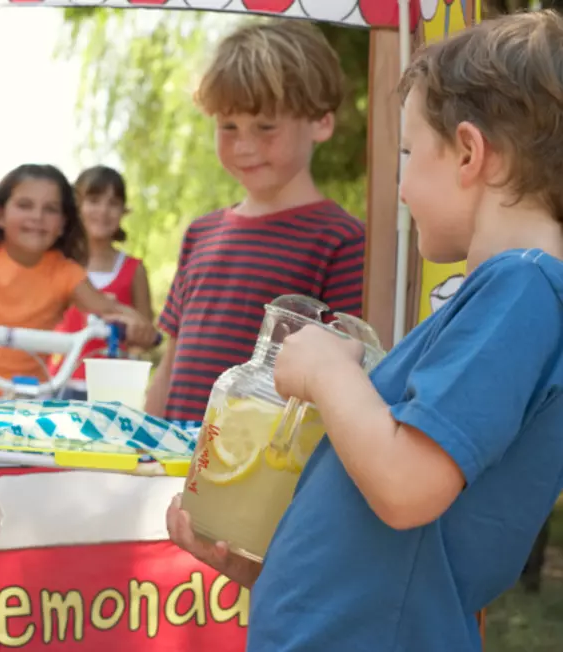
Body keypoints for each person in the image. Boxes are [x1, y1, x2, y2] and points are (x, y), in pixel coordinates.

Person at [169, 11, 563, 651]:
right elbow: (394, 540)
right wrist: (268, 570)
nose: (400, 186)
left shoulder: (521, 289)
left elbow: (406, 487)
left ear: (469, 153)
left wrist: (331, 372)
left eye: (407, 154)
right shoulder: (498, 297)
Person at [144, 20, 366, 425]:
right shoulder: (200, 233)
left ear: (321, 122)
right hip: (172, 467)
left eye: (266, 127)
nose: (244, 146)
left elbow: (346, 379)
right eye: (228, 127)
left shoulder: (343, 240)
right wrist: (143, 439)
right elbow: (172, 361)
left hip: (260, 473)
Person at [0, 164, 157, 389]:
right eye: (25, 205)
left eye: (50, 209)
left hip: (28, 399)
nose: (37, 216)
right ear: (0, 215)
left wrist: (139, 326)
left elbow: (107, 308)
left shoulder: (65, 272)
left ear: (63, 224)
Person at [49, 166, 154, 400]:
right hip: (58, 381)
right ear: (77, 207)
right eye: (94, 201)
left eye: (113, 203)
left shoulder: (133, 269)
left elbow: (146, 334)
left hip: (111, 388)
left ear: (123, 210)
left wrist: (137, 335)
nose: (103, 211)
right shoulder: (58, 264)